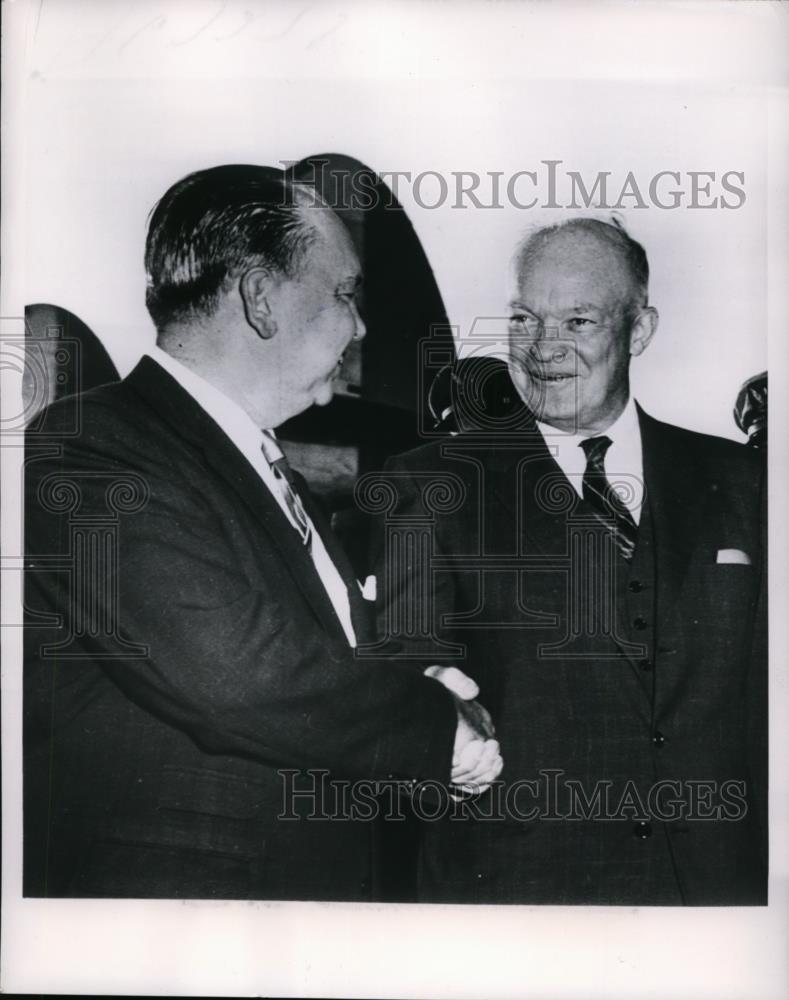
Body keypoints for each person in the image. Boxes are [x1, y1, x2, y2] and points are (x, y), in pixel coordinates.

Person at [23, 164, 502, 901]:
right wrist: (438, 728)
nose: (360, 325)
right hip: (181, 906)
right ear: (260, 299)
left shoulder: (260, 464)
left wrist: (412, 675)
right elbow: (232, 671)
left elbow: (309, 651)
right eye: (344, 294)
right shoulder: (90, 443)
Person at [374, 217, 767, 905]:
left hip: (716, 891)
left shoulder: (745, 481)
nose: (542, 348)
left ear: (637, 330)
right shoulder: (430, 485)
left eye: (578, 321)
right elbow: (403, 677)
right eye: (525, 319)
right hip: (522, 892)